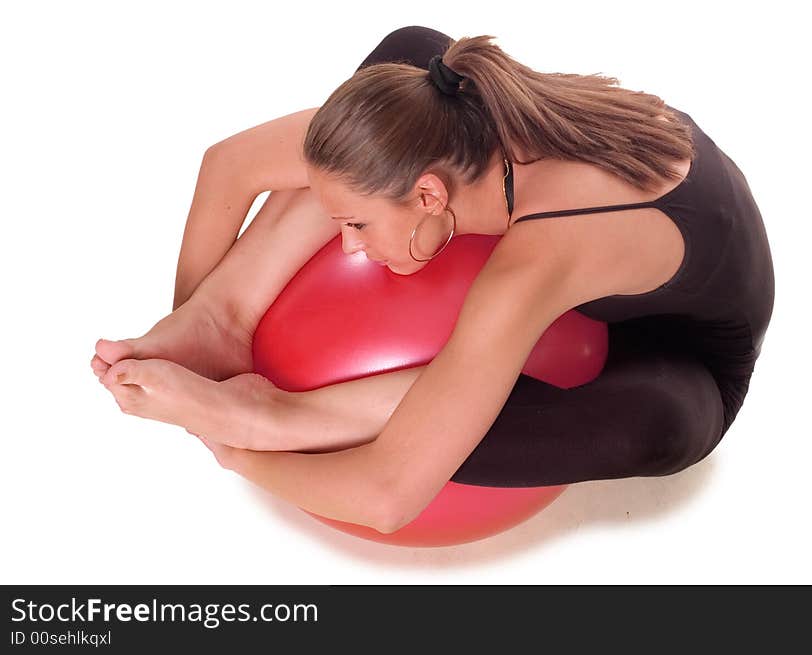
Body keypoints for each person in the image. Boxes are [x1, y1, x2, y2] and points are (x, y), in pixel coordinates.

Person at [91, 26, 774, 534]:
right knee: (410, 49)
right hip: (607, 242)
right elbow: (226, 165)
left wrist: (236, 444)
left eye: (354, 225)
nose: (348, 248)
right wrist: (205, 313)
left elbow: (389, 494)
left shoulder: (535, 260)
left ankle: (274, 411)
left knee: (664, 427)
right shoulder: (447, 107)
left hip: (680, 354)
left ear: (427, 198)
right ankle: (226, 316)